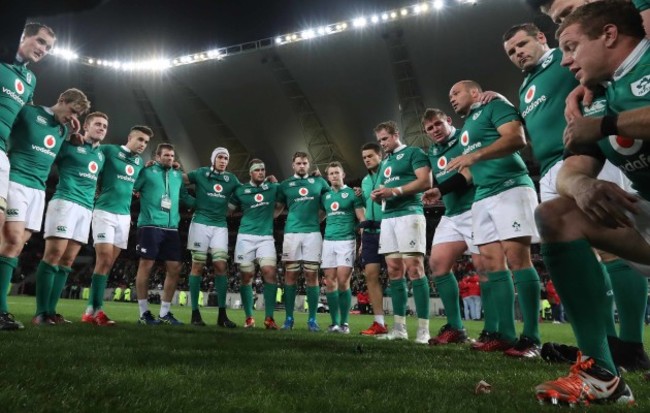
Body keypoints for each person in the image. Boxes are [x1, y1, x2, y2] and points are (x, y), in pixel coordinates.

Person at [503, 20, 649, 368]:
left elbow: (607, 81)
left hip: (600, 150)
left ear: (542, 38)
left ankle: (629, 343)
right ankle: (601, 348)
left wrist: (597, 116)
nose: (517, 53)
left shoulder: (571, 60)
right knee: (571, 239)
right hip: (562, 165)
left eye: (522, 44)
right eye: (511, 52)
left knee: (612, 244)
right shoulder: (525, 88)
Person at [535, 1, 650, 404]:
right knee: (555, 215)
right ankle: (602, 373)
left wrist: (605, 125)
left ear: (609, 35)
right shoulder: (596, 97)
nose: (565, 62)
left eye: (570, 47)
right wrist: (581, 186)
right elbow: (571, 169)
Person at [446, 80, 542, 357]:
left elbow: (516, 139)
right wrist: (438, 190)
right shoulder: (467, 130)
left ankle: (532, 337)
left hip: (510, 185)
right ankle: (506, 335)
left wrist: (475, 155)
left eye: (456, 92)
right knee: (489, 263)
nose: (452, 98)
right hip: (482, 195)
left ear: (475, 92)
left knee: (517, 258)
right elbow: (470, 169)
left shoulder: (494, 106)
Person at [0, 88, 89, 330]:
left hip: (38, 191)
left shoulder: (62, 130)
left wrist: (72, 138)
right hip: (16, 180)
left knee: (16, 246)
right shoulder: (29, 112)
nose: (72, 118)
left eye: (77, 115)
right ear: (61, 100)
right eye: (71, 111)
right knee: (12, 239)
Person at [32, 111, 107, 325]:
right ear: (86, 126)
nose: (102, 128)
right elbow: (48, 151)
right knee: (54, 254)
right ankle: (40, 313)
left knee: (67, 260)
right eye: (98, 124)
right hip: (64, 201)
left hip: (86, 209)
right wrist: (67, 137)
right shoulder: (70, 145)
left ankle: (52, 311)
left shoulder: (101, 155)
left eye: (105, 126)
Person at [81, 125, 152, 326]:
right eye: (139, 139)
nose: (142, 144)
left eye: (146, 142)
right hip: (104, 212)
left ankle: (89, 311)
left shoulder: (139, 162)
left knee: (108, 263)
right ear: (130, 137)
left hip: (124, 216)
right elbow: (91, 159)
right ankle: (97, 310)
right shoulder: (109, 150)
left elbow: (136, 186)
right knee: (103, 259)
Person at [421, 108, 479, 346]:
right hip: (452, 213)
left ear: (449, 120)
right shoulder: (433, 151)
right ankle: (456, 327)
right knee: (438, 264)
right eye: (429, 128)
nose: (434, 130)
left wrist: (440, 190)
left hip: (476, 207)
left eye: (438, 124)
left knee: (487, 268)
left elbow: (471, 172)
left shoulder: (465, 137)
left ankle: (497, 331)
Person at [370, 121, 432, 344]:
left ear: (396, 134)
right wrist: (377, 195)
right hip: (389, 218)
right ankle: (399, 328)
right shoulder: (385, 161)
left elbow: (426, 181)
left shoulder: (414, 153)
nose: (382, 144)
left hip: (410, 213)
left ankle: (424, 330)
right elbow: (384, 189)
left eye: (385, 138)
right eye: (379, 140)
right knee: (394, 270)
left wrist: (394, 191)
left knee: (415, 269)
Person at [0, 23, 59, 232]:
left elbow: (29, 116)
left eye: (48, 47)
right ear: (23, 36)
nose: (43, 50)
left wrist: (59, 119)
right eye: (40, 41)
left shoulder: (30, 79)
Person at [133, 143, 194, 325]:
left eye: (172, 156)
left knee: (175, 268)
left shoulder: (177, 175)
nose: (170, 158)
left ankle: (165, 313)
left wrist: (207, 205)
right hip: (150, 225)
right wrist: (140, 170)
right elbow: (132, 187)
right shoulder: (147, 172)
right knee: (146, 266)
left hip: (171, 228)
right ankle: (144, 313)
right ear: (158, 156)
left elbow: (184, 197)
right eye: (166, 155)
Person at [183, 147, 240, 327]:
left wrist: (231, 206)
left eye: (226, 158)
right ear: (213, 159)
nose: (223, 161)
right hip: (200, 222)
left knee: (221, 266)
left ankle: (222, 315)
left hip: (220, 226)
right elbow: (180, 180)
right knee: (197, 266)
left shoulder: (231, 179)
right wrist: (190, 201)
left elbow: (243, 194)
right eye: (220, 157)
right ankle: (195, 314)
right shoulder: (201, 173)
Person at [277, 151, 331, 331]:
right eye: (298, 163)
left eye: (304, 163)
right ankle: (289, 318)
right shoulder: (284, 185)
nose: (301, 166)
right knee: (290, 275)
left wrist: (318, 220)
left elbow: (329, 204)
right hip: (291, 233)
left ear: (309, 165)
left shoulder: (320, 182)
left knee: (312, 275)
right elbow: (277, 208)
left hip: (313, 234)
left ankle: (312, 320)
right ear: (293, 165)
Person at [230, 158, 283, 330]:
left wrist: (275, 212)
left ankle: (269, 318)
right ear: (250, 173)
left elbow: (283, 200)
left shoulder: (273, 188)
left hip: (265, 238)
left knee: (269, 272)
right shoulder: (241, 190)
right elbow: (228, 209)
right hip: (245, 237)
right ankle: (249, 318)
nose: (261, 172)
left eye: (263, 169)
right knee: (246, 277)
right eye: (257, 170)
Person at [321, 161, 365, 334]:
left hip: (346, 241)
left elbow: (362, 218)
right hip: (328, 241)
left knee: (343, 281)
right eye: (331, 174)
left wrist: (363, 240)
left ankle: (345, 324)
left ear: (343, 174)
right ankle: (334, 323)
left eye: (336, 173)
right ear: (328, 177)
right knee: (329, 282)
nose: (334, 176)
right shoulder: (325, 196)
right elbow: (318, 216)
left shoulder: (353, 194)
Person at [357, 142, 389, 336]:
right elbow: (366, 205)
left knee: (396, 273)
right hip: (369, 230)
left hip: (388, 226)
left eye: (370, 156)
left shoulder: (389, 172)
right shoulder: (364, 181)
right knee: (370, 274)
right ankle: (379, 322)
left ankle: (401, 324)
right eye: (364, 157)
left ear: (380, 155)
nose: (367, 159)